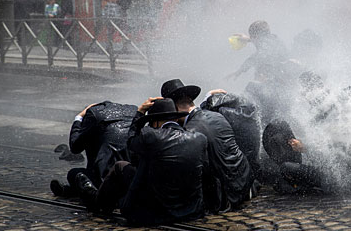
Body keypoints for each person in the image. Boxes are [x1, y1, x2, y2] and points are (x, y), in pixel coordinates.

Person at [95, 97, 207, 225]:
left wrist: (140, 112)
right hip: (192, 212)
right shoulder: (200, 139)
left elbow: (131, 143)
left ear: (155, 122)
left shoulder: (150, 136)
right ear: (176, 119)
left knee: (120, 166)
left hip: (154, 215)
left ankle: (98, 207)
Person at [161, 79, 253, 213]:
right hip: (244, 181)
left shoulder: (189, 133)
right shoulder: (217, 115)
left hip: (224, 196)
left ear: (175, 108)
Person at [50, 101, 137, 200]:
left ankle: (75, 192)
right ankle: (69, 191)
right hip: (132, 178)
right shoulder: (132, 114)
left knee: (74, 173)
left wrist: (78, 118)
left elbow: (75, 147)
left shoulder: (94, 117)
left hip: (105, 179)